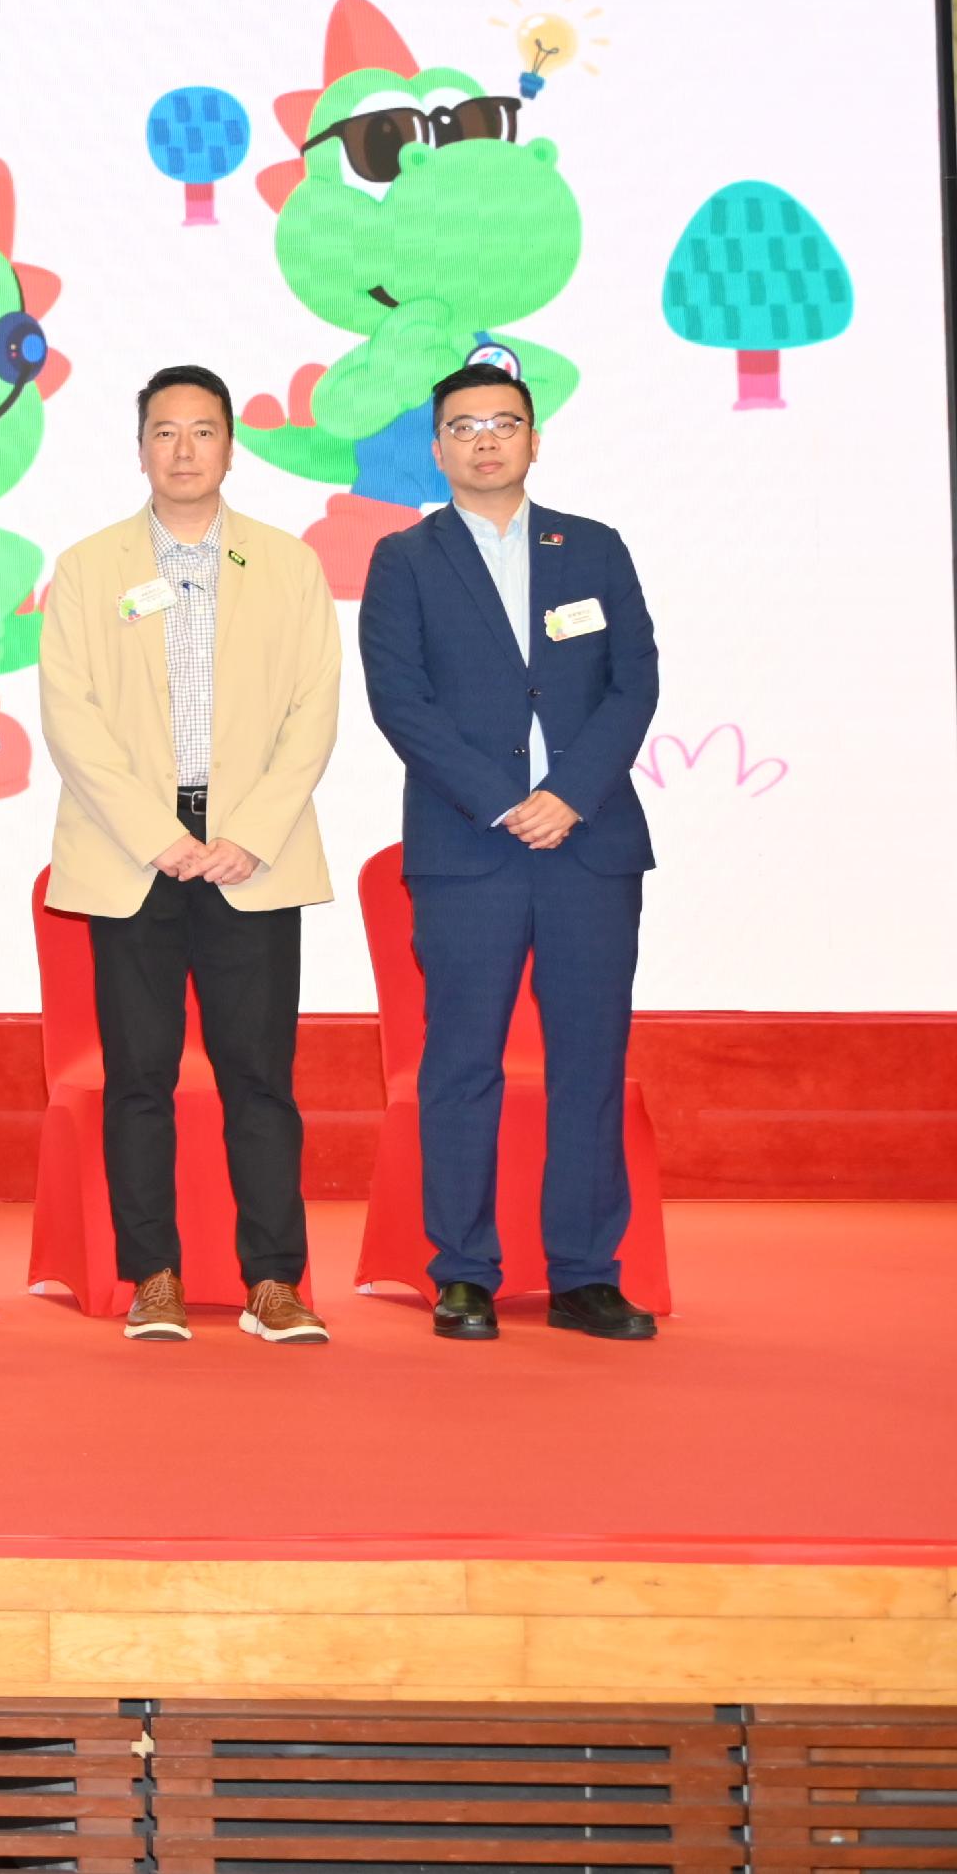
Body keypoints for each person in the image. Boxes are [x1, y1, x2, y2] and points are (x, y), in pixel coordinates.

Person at [358, 364, 662, 1342]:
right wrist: (504, 802)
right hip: (468, 850)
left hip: (589, 845)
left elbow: (634, 683)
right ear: (436, 447)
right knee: (460, 1062)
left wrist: (568, 794)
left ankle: (585, 1274)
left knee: (590, 1062)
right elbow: (401, 702)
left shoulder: (593, 548)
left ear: (534, 439)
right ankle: (462, 1270)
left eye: (503, 422)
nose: (484, 439)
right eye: (463, 426)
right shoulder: (404, 560)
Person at [40, 365, 342, 1346]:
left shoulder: (286, 563)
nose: (182, 450)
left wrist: (246, 832)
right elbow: (71, 717)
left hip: (252, 854)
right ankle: (154, 1275)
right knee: (140, 1076)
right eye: (163, 432)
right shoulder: (88, 567)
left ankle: (274, 1281)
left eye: (202, 431)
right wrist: (157, 834)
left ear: (228, 447)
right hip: (134, 857)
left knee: (260, 1078)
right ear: (139, 448)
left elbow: (313, 709)